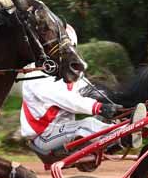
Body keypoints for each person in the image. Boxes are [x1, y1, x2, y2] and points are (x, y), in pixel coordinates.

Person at [20, 25, 121, 155]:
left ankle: (122, 133)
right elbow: (67, 99)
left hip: (62, 130)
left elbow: (88, 90)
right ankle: (119, 138)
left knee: (101, 119)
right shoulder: (37, 74)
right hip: (43, 136)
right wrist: (98, 107)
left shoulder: (67, 71)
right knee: (87, 125)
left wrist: (116, 102)